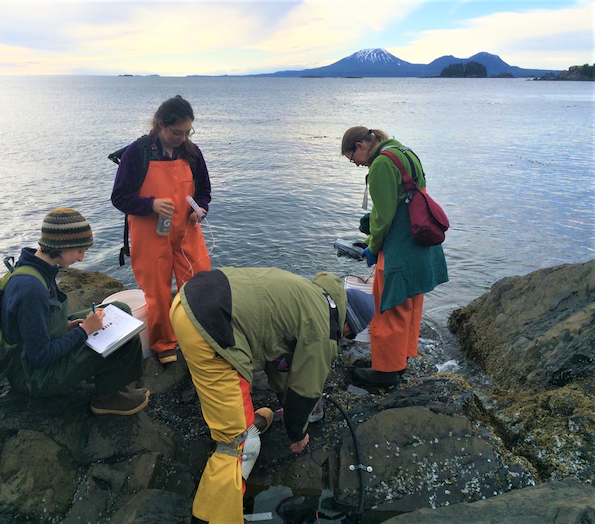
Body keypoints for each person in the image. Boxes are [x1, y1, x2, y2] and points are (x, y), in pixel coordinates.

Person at [169, 267, 374, 524]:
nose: (341, 339)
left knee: (228, 409)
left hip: (186, 301)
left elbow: (279, 363)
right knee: (239, 445)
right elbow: (305, 391)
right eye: (346, 335)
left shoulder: (309, 295)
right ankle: (213, 518)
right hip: (211, 327)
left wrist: (283, 404)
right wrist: (297, 433)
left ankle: (245, 422)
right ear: (347, 323)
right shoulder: (323, 329)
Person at [2, 207, 149, 415]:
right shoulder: (31, 288)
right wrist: (83, 332)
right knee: (120, 333)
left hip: (32, 358)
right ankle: (106, 398)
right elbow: (40, 357)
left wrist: (68, 326)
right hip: (34, 378)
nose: (81, 258)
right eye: (79, 251)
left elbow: (39, 324)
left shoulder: (37, 267)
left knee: (119, 311)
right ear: (62, 245)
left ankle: (113, 382)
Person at [341, 127, 449, 388]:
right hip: (420, 244)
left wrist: (372, 246)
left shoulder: (380, 164)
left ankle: (386, 372)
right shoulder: (403, 150)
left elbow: (385, 216)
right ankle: (401, 360)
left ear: (360, 145)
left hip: (399, 247)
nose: (355, 164)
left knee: (388, 307)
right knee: (410, 304)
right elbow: (407, 196)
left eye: (351, 157)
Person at [111, 95, 211, 365]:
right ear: (160, 125)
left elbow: (204, 192)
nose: (182, 137)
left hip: (187, 231)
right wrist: (150, 204)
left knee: (200, 285)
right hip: (150, 235)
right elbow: (119, 197)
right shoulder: (137, 152)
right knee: (157, 292)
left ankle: (199, 337)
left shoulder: (191, 152)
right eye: (177, 132)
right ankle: (164, 343)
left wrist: (200, 209)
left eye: (187, 132)